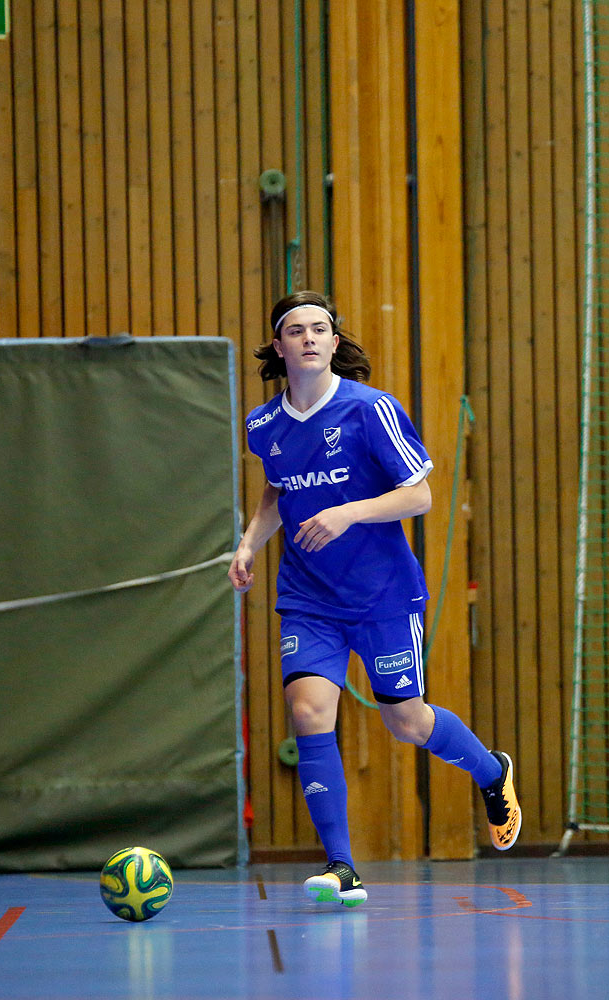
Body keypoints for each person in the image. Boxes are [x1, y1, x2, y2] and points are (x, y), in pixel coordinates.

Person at [229, 290, 521, 908]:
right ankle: (342, 866)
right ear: (279, 348)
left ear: (335, 344)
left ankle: (491, 771)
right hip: (309, 598)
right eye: (296, 331)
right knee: (309, 714)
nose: (309, 338)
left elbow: (419, 495)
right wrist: (249, 543)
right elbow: (276, 492)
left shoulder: (370, 410)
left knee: (406, 721)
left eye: (320, 329)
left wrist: (348, 513)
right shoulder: (263, 425)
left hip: (385, 596)